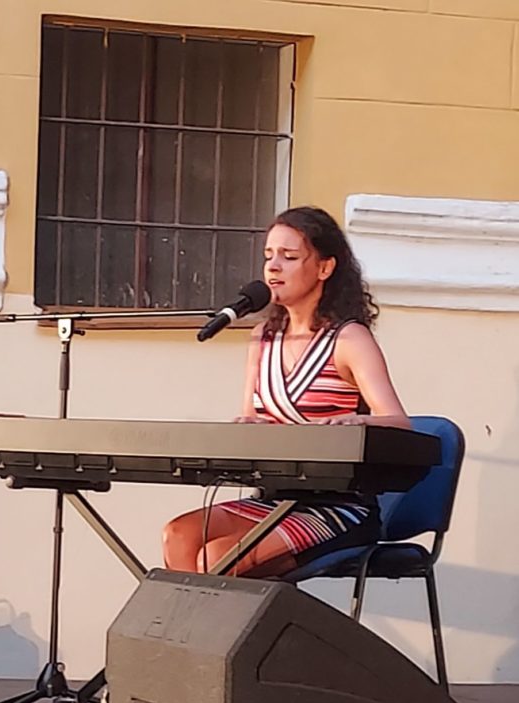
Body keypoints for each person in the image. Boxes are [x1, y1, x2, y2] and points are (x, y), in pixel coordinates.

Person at [163, 205, 410, 579]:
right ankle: (194, 619)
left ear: (325, 268)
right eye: (269, 256)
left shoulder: (349, 339)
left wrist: (358, 422)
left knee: (217, 558)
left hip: (336, 508)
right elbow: (252, 418)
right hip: (274, 500)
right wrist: (247, 427)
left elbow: (399, 422)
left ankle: (217, 616)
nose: (273, 267)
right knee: (178, 535)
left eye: (289, 257)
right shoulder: (261, 339)